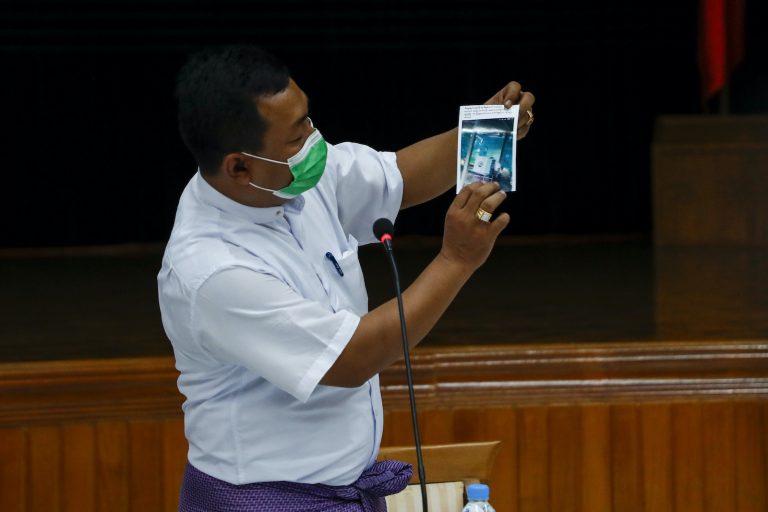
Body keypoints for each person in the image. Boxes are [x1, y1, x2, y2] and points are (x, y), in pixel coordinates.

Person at [158, 45, 535, 511]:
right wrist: (456, 260)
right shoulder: (213, 270)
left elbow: (401, 176)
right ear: (239, 166)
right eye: (297, 138)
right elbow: (352, 359)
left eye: (308, 121)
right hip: (265, 500)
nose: (315, 142)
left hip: (343, 487)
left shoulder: (289, 177)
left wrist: (483, 131)